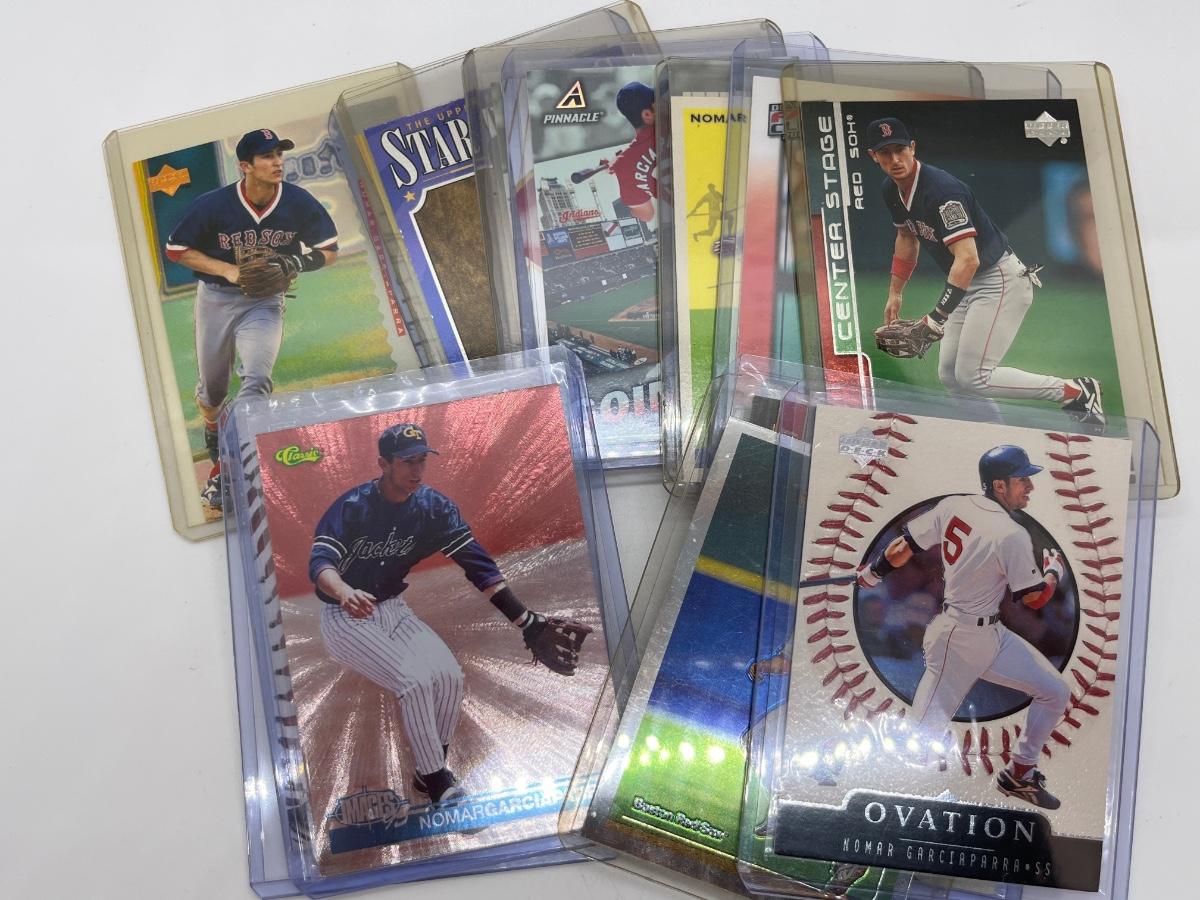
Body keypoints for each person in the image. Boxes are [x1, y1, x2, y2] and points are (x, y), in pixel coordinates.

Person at [308, 423, 569, 804]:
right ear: (384, 463)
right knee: (414, 681)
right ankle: (438, 782)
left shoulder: (434, 509)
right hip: (345, 617)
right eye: (406, 462)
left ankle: (426, 772)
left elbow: (478, 566)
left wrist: (524, 620)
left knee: (449, 677)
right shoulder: (352, 507)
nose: (416, 470)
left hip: (393, 609)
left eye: (421, 460)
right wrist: (344, 591)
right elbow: (321, 563)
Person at [856, 445, 1072, 810]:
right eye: (1022, 479)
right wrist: (1053, 572)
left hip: (990, 634)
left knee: (1055, 691)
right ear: (999, 485)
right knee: (920, 740)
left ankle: (1020, 773)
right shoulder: (1011, 533)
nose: (1030, 487)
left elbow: (903, 547)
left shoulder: (954, 505)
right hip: (957, 639)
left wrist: (875, 572)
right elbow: (1035, 599)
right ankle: (863, 787)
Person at [866, 117, 1104, 428]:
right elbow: (906, 236)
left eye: (900, 149)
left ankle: (1075, 391)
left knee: (974, 376)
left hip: (998, 280)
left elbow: (968, 260)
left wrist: (936, 318)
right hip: (964, 282)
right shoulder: (891, 189)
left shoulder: (942, 191)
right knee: (951, 376)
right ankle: (993, 435)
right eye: (886, 153)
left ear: (913, 148)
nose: (895, 159)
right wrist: (895, 291)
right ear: (873, 156)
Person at [165, 128, 339, 510]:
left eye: (279, 154)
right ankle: (214, 426)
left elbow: (329, 249)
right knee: (213, 393)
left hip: (264, 302)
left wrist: (296, 262)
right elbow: (176, 249)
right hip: (216, 299)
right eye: (267, 156)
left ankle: (225, 471)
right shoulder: (215, 204)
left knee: (257, 380)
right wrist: (227, 270)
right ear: (245, 166)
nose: (277, 162)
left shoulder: (297, 202)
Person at [601, 82, 657, 223]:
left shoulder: (623, 163)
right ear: (647, 114)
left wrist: (621, 164)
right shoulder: (676, 123)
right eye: (659, 103)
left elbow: (647, 215)